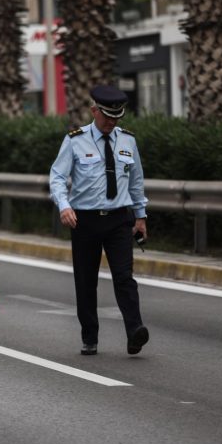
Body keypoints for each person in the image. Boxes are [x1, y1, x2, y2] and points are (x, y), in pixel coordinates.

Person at [49, 84, 150, 357]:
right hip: (85, 221)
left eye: (117, 117)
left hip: (119, 219)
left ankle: (134, 331)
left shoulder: (128, 140)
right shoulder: (74, 140)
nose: (111, 122)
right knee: (86, 281)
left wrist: (140, 216)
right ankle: (90, 337)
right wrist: (64, 206)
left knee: (124, 277)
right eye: (107, 116)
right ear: (94, 111)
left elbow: (136, 182)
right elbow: (57, 177)